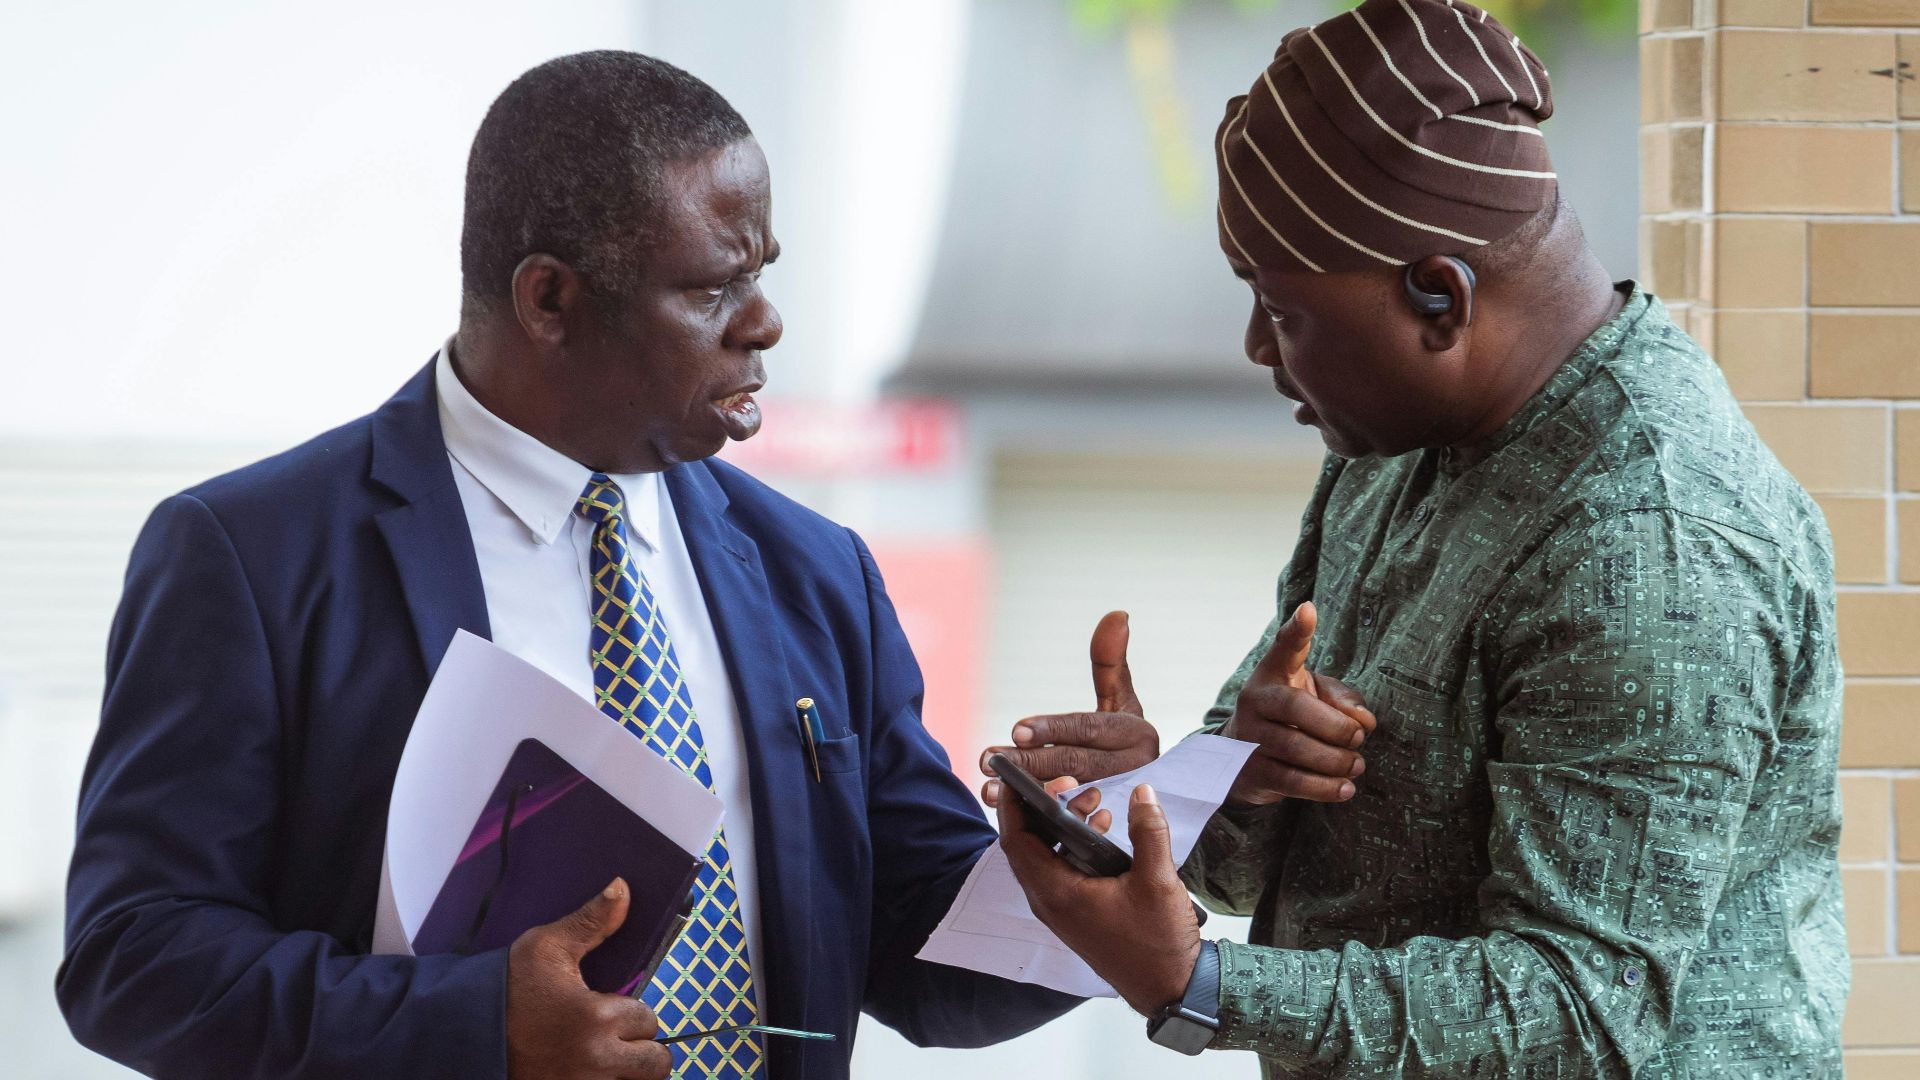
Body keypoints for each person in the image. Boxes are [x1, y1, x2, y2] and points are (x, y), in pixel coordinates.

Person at [58, 51, 1078, 1080]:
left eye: (761, 273)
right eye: (715, 287)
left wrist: (1079, 883)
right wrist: (473, 1027)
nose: (764, 322)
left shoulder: (817, 574)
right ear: (550, 300)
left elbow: (915, 948)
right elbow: (133, 958)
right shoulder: (252, 556)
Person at [983, 1, 1846, 1074]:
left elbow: (1582, 1011)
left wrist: (1193, 986)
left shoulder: (1652, 545)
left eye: (1282, 308)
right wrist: (1209, 783)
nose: (1257, 345)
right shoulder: (1392, 444)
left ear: (1439, 298)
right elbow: (1260, 873)